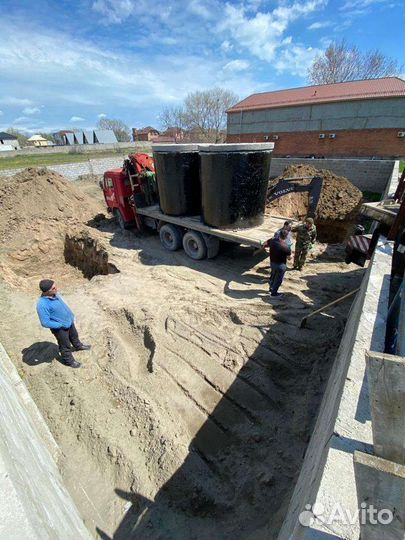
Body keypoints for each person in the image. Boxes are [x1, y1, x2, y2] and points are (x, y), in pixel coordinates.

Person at [36, 279, 91, 368]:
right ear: (47, 291)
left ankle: (78, 346)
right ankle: (69, 361)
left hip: (69, 321)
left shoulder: (55, 295)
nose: (56, 288)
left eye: (55, 286)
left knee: (74, 336)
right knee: (65, 345)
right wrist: (60, 325)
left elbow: (63, 306)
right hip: (60, 329)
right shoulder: (42, 304)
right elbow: (44, 322)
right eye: (53, 288)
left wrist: (71, 316)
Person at [267, 229, 291, 298]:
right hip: (280, 265)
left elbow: (266, 243)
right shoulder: (286, 247)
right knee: (278, 280)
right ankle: (274, 294)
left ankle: (271, 288)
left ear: (279, 235)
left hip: (272, 263)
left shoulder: (273, 241)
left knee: (273, 276)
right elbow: (289, 258)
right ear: (286, 237)